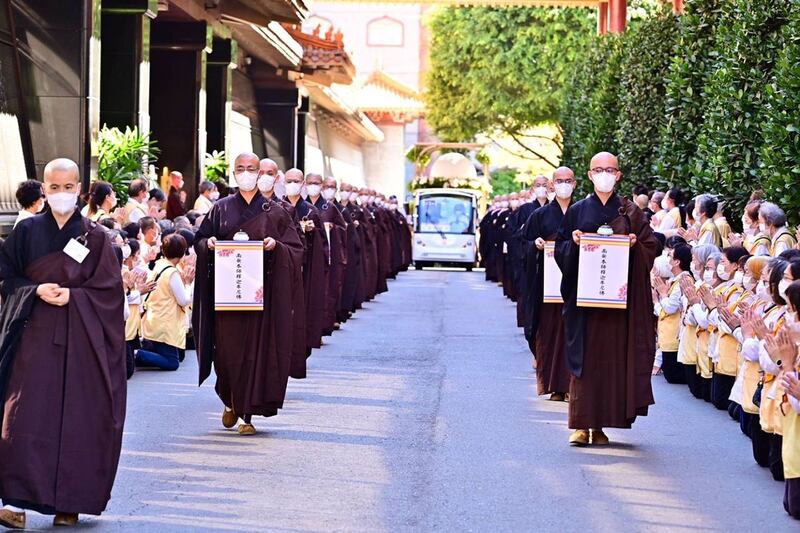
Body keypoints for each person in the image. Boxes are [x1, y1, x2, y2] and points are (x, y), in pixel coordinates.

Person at [0, 158, 126, 528]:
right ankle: (15, 502)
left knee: (76, 419)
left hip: (80, 341)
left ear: (79, 189)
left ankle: (68, 501)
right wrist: (34, 289)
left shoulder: (95, 236)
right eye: (53, 188)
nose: (60, 194)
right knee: (21, 416)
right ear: (44, 189)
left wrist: (76, 298)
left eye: (67, 187)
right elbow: (6, 276)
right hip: (33, 335)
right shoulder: (25, 233)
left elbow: (109, 292)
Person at [193, 152, 303, 435]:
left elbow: (296, 249)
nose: (246, 173)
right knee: (227, 354)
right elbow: (200, 240)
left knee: (254, 354)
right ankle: (229, 399)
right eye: (240, 168)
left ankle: (247, 415)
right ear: (233, 172)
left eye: (251, 168)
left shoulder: (274, 211)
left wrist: (275, 246)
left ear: (261, 173)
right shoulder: (220, 208)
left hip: (259, 296)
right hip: (227, 296)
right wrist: (210, 243)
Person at [555, 152, 661, 446]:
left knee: (610, 363)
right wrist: (574, 244)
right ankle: (580, 425)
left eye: (610, 169)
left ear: (619, 175)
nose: (604, 174)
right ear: (589, 175)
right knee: (584, 361)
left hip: (617, 305)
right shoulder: (576, 211)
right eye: (598, 169)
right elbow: (561, 245)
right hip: (585, 303)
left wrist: (635, 244)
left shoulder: (630, 212)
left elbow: (651, 245)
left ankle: (600, 426)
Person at [525, 167, 575, 400]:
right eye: (559, 181)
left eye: (568, 180)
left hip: (575, 284)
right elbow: (522, 243)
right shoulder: (540, 215)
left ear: (575, 183)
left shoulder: (582, 212)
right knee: (549, 332)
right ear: (552, 185)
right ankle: (554, 385)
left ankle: (572, 385)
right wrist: (533, 245)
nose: (564, 184)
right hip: (547, 285)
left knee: (572, 332)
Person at [136, 234, 195, 371]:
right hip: (164, 323)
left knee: (177, 356)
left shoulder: (159, 265)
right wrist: (187, 283)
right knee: (172, 362)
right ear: (182, 252)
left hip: (155, 319)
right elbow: (184, 300)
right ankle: (136, 354)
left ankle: (141, 354)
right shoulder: (172, 273)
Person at [653, 243, 693, 384]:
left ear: (677, 262)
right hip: (668, 335)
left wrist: (662, 295)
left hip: (675, 337)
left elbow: (670, 308)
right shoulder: (674, 281)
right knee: (670, 375)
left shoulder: (684, 281)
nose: (667, 259)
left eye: (669, 255)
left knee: (673, 376)